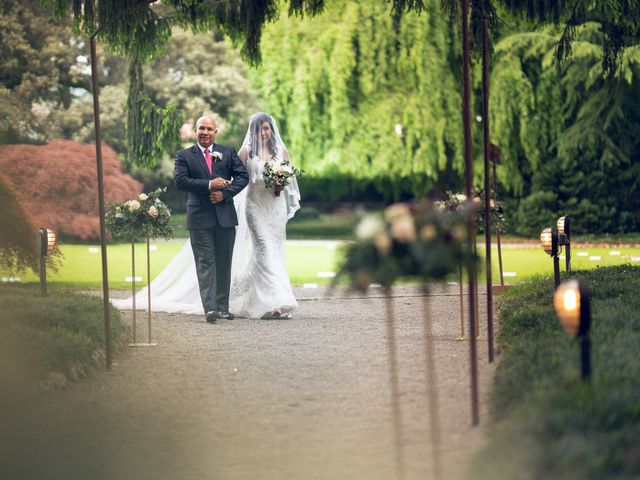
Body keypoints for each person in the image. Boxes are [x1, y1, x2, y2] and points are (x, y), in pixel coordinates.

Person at [173, 115, 249, 323]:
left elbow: (243, 177)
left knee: (224, 263)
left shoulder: (227, 152)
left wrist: (225, 194)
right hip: (199, 219)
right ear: (195, 131)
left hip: (225, 217)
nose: (205, 132)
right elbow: (181, 181)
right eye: (201, 128)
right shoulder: (184, 156)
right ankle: (210, 309)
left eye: (209, 129)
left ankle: (223, 307)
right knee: (205, 262)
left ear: (216, 132)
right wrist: (210, 184)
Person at [228, 112, 301, 319]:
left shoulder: (281, 151)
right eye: (260, 129)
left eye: (267, 128)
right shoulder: (246, 152)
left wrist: (280, 183)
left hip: (275, 207)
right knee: (265, 248)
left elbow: (288, 180)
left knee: (269, 253)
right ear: (253, 131)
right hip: (254, 206)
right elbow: (239, 181)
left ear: (272, 130)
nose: (264, 132)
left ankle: (234, 293)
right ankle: (280, 300)